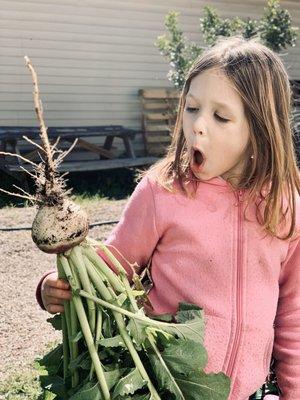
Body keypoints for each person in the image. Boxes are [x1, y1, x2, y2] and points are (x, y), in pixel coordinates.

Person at [35, 36, 300, 400]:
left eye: (220, 116)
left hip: (250, 390)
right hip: (165, 385)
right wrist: (55, 283)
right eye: (191, 108)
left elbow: (293, 316)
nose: (198, 126)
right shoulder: (163, 192)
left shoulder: (284, 207)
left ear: (260, 131)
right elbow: (114, 269)